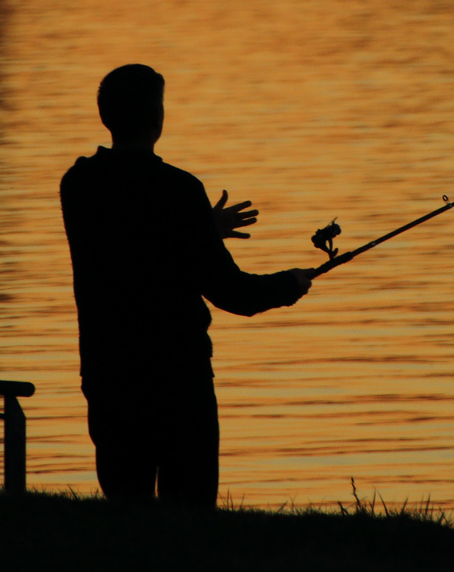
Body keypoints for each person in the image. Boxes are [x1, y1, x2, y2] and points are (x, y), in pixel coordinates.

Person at [60, 64, 314, 507]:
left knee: (127, 508)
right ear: (157, 115)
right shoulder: (178, 189)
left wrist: (200, 227)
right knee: (189, 512)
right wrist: (290, 283)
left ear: (105, 116)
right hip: (176, 373)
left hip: (108, 369)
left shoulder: (79, 184)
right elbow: (233, 293)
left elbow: (130, 240)